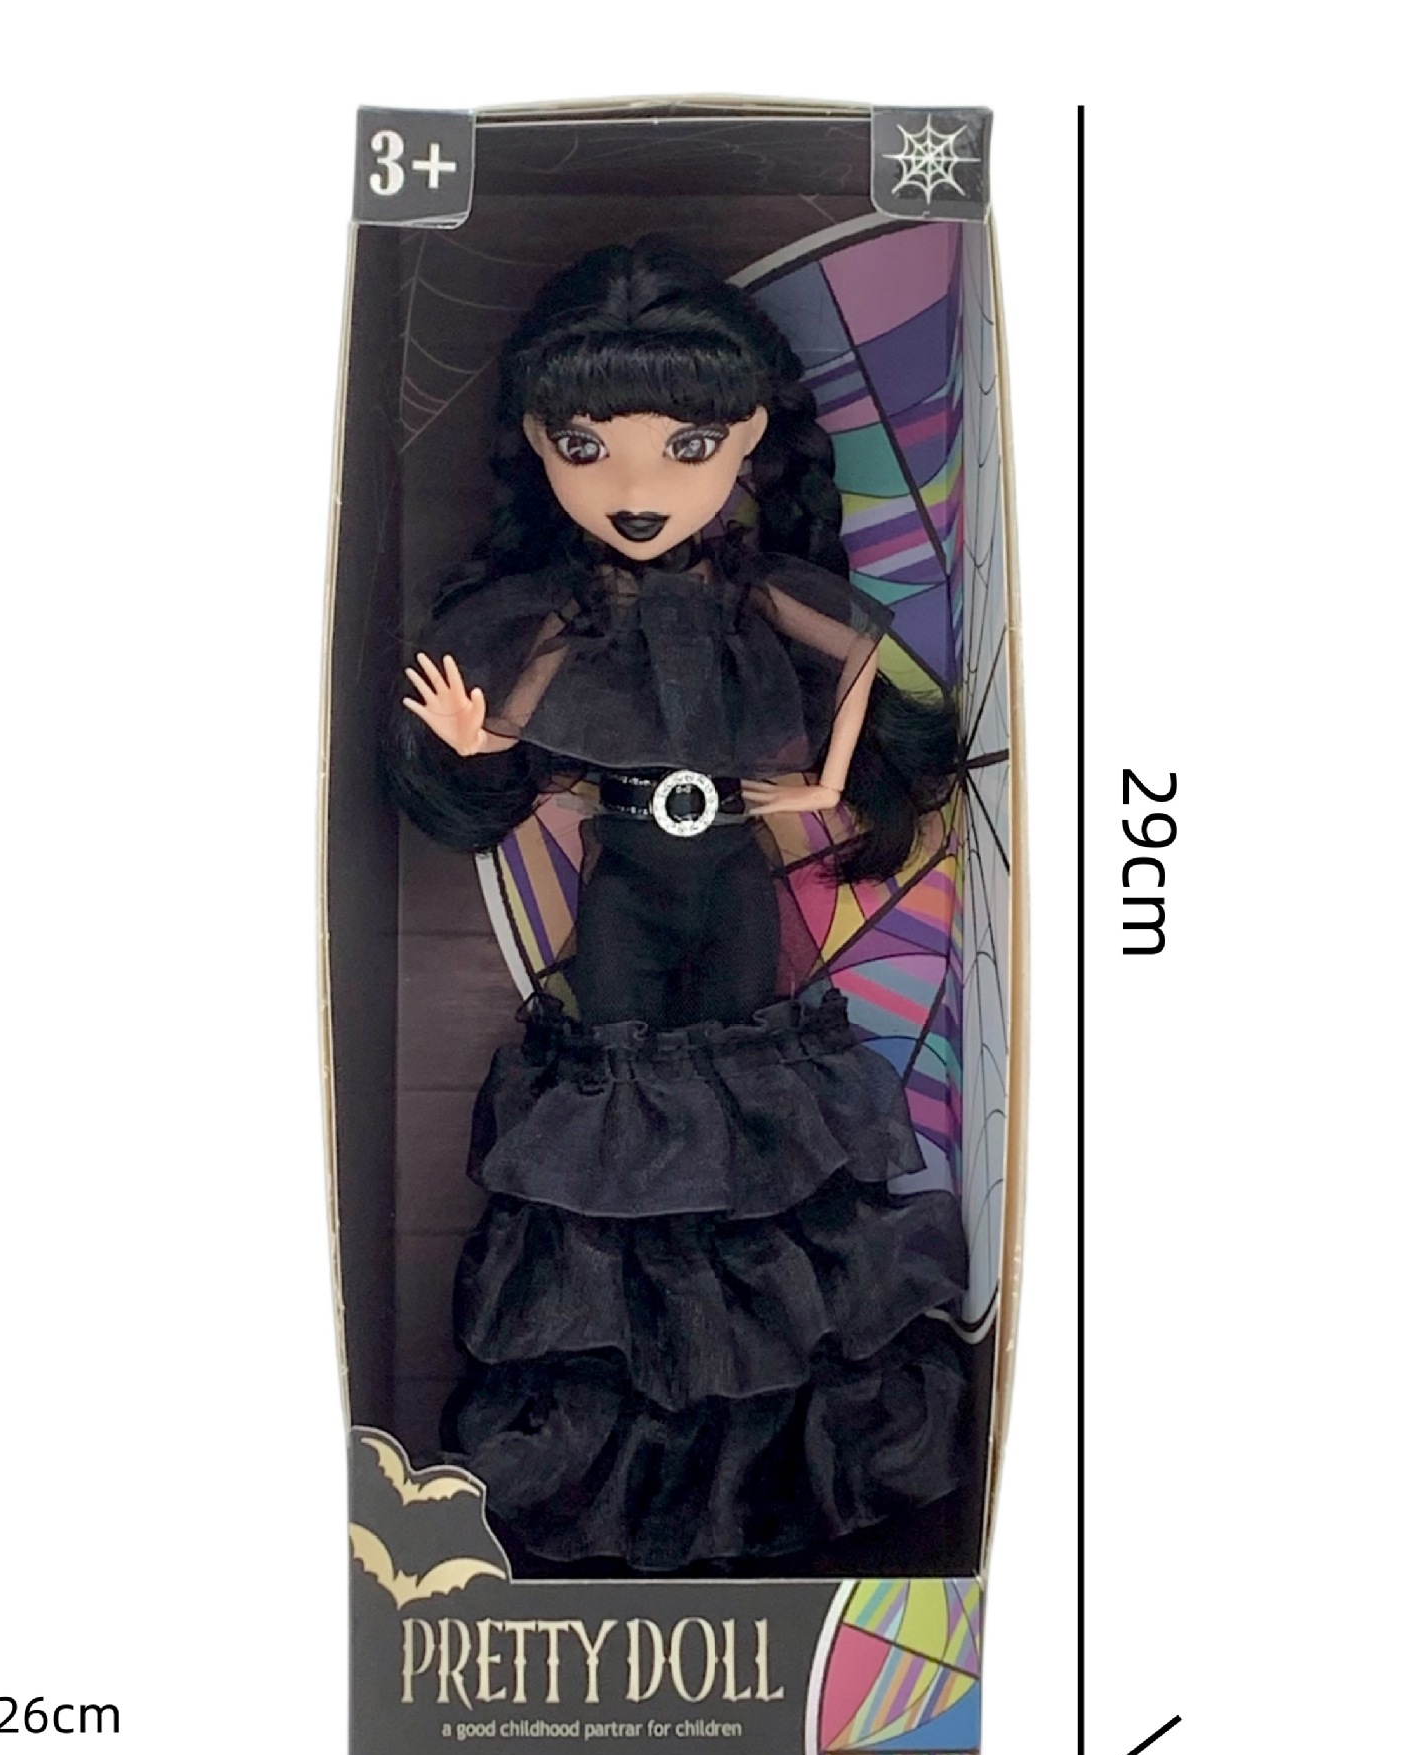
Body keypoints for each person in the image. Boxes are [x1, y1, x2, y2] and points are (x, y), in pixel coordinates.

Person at [386, 239, 977, 1573]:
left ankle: (769, 1441)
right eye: (586, 447)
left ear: (753, 435)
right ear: (537, 445)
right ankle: (625, 1431)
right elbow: (511, 730)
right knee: (615, 1099)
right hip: (629, 873)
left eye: (688, 444)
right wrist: (478, 748)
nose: (638, 488)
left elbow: (865, 655)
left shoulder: (757, 594)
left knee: (755, 1113)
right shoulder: (563, 618)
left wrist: (818, 783)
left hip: (729, 870)